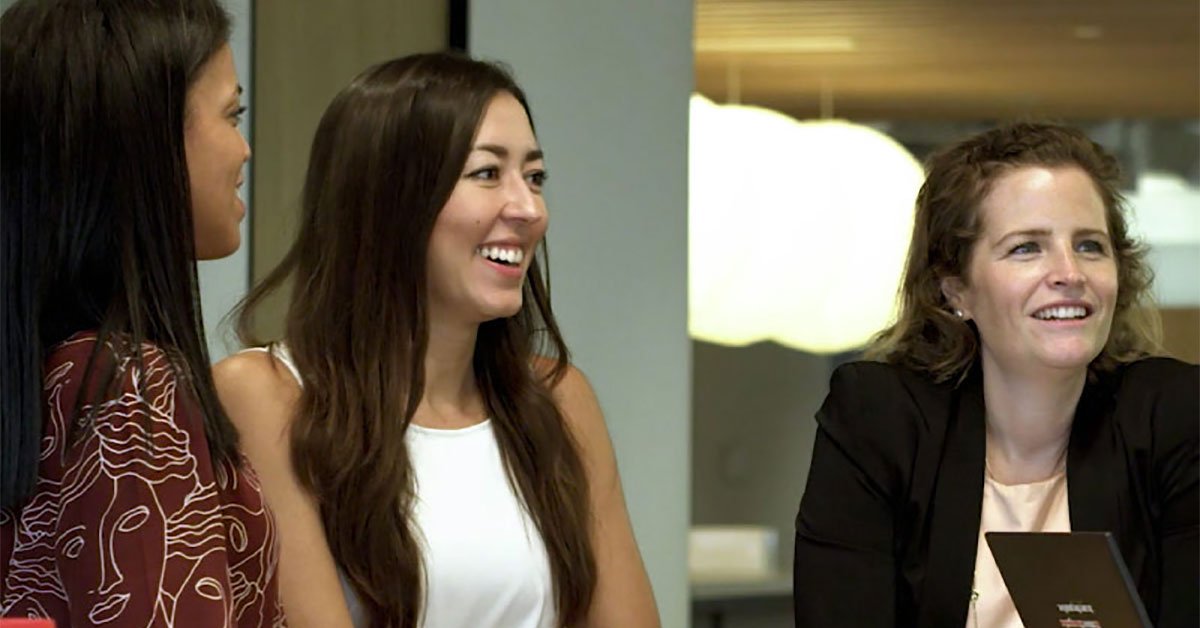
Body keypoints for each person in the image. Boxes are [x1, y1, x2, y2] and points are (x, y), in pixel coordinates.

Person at [213, 52, 659, 628]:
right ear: (390, 198)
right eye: (486, 173)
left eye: (535, 177)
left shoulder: (559, 399)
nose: (529, 208)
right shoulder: (267, 394)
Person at [792, 122, 1198, 628]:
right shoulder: (880, 418)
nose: (1070, 273)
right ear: (956, 289)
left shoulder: (1176, 416)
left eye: (1090, 245)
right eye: (1027, 247)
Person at [0, 1, 283, 625]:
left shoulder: (51, 376)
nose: (244, 150)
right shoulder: (125, 389)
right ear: (144, 140)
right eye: (231, 114)